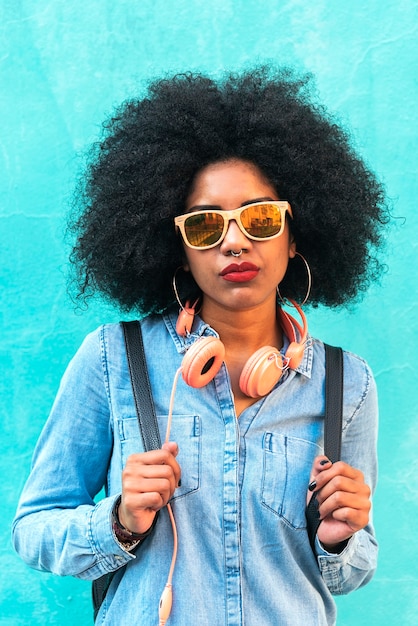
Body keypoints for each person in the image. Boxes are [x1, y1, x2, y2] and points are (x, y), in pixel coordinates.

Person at [12, 67, 388, 626]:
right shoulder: (116, 360)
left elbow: (350, 572)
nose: (235, 241)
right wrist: (119, 521)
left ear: (294, 235)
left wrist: (339, 538)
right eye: (207, 226)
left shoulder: (346, 383)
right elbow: (33, 529)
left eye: (260, 219)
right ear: (180, 249)